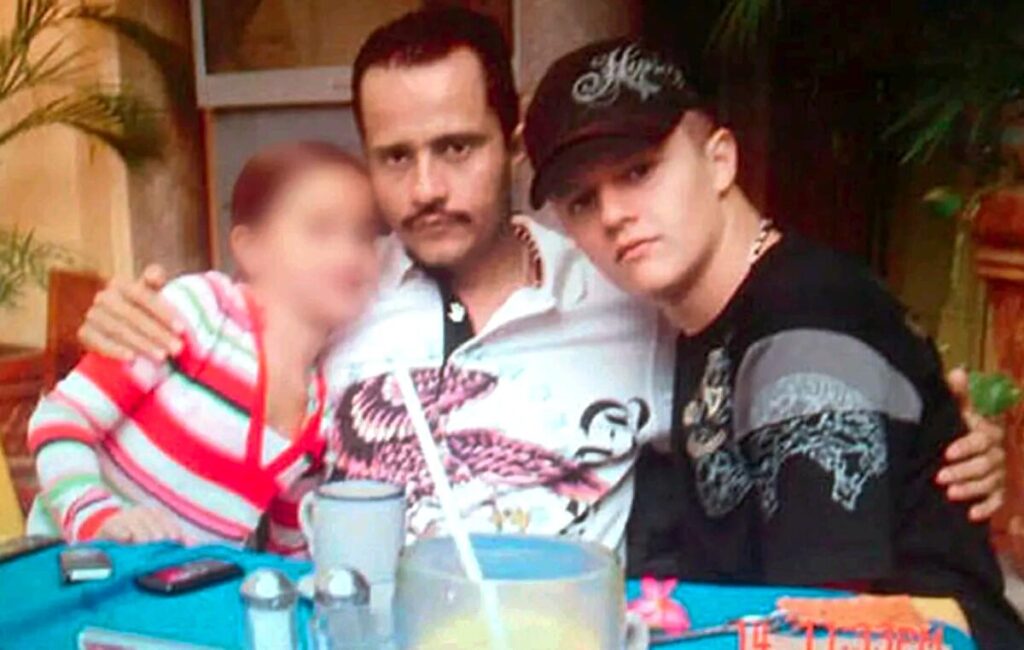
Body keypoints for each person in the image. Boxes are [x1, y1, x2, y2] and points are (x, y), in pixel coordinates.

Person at [74, 9, 1004, 557]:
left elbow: (774, 384)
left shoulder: (625, 290)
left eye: (456, 148)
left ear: (511, 145)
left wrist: (937, 443)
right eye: (395, 157)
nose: (426, 187)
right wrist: (129, 325)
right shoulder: (328, 295)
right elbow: (180, 392)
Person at [522, 38, 1024, 646]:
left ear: (720, 160)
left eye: (639, 170)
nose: (613, 214)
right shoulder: (713, 319)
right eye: (582, 200)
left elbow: (821, 624)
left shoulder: (805, 322)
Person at [26, 142, 379, 551]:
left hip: (171, 587)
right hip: (68, 566)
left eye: (365, 235)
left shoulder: (321, 412)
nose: (350, 253)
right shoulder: (200, 311)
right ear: (250, 248)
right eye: (321, 229)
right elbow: (59, 419)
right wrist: (98, 518)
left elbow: (288, 550)